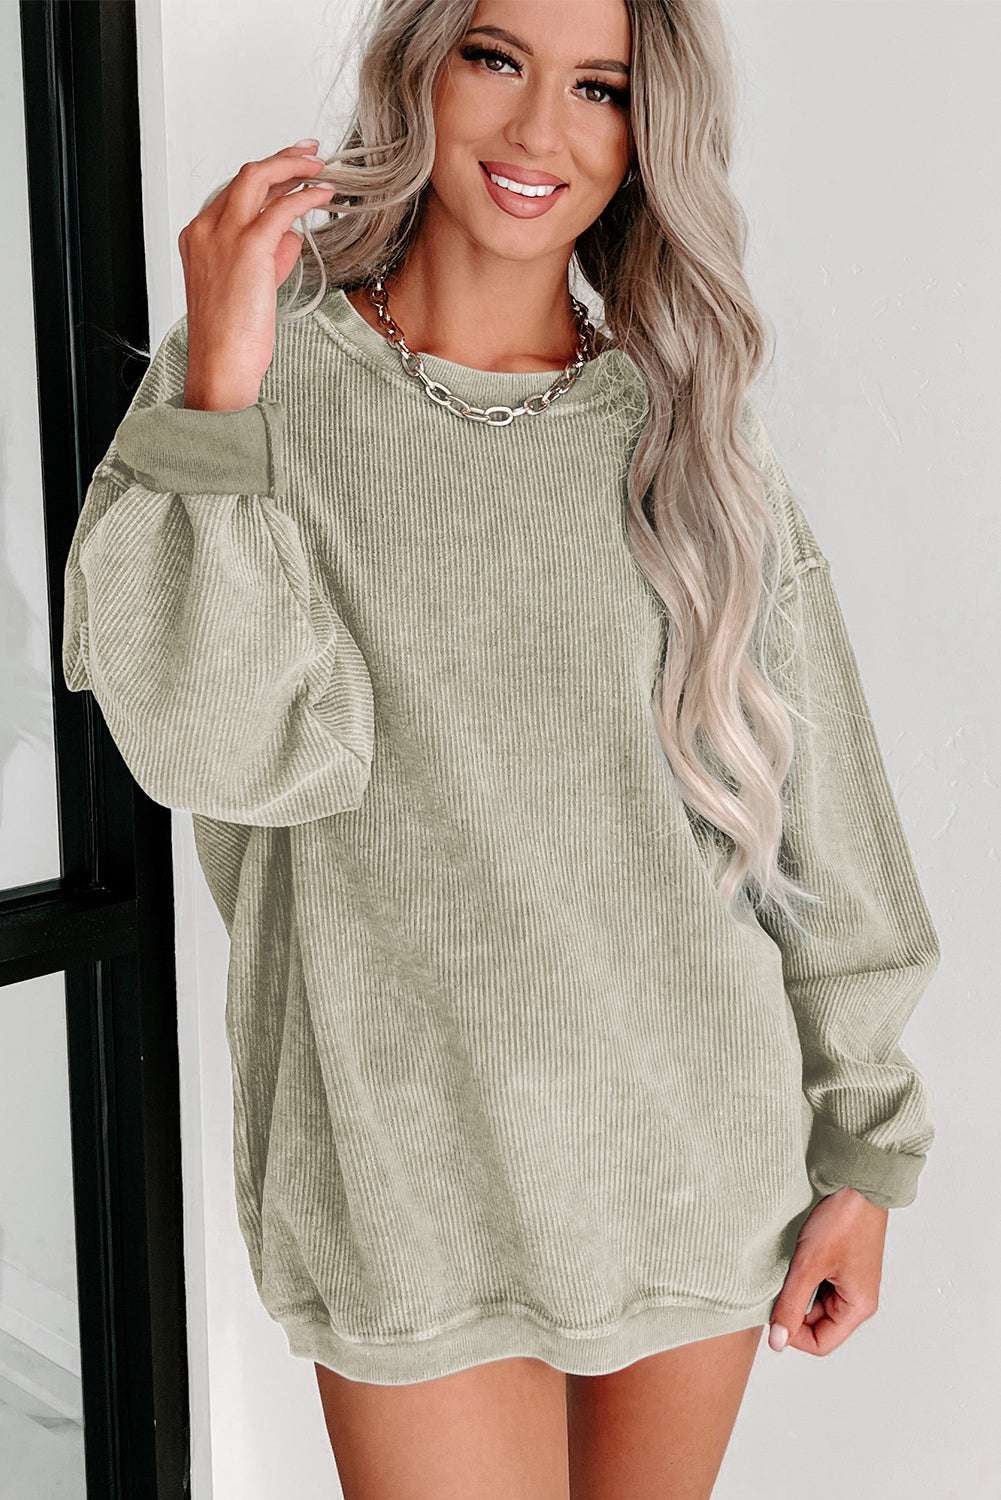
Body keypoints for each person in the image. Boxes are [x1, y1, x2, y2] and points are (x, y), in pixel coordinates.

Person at [61, 0, 942, 1495]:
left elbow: (825, 810)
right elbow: (215, 750)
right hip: (403, 1179)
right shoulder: (255, 382)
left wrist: (865, 1155)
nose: (540, 131)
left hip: (686, 1158)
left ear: (644, 135)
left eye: (600, 88)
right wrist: (219, 380)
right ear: (419, 66)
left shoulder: (685, 431)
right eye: (495, 58)